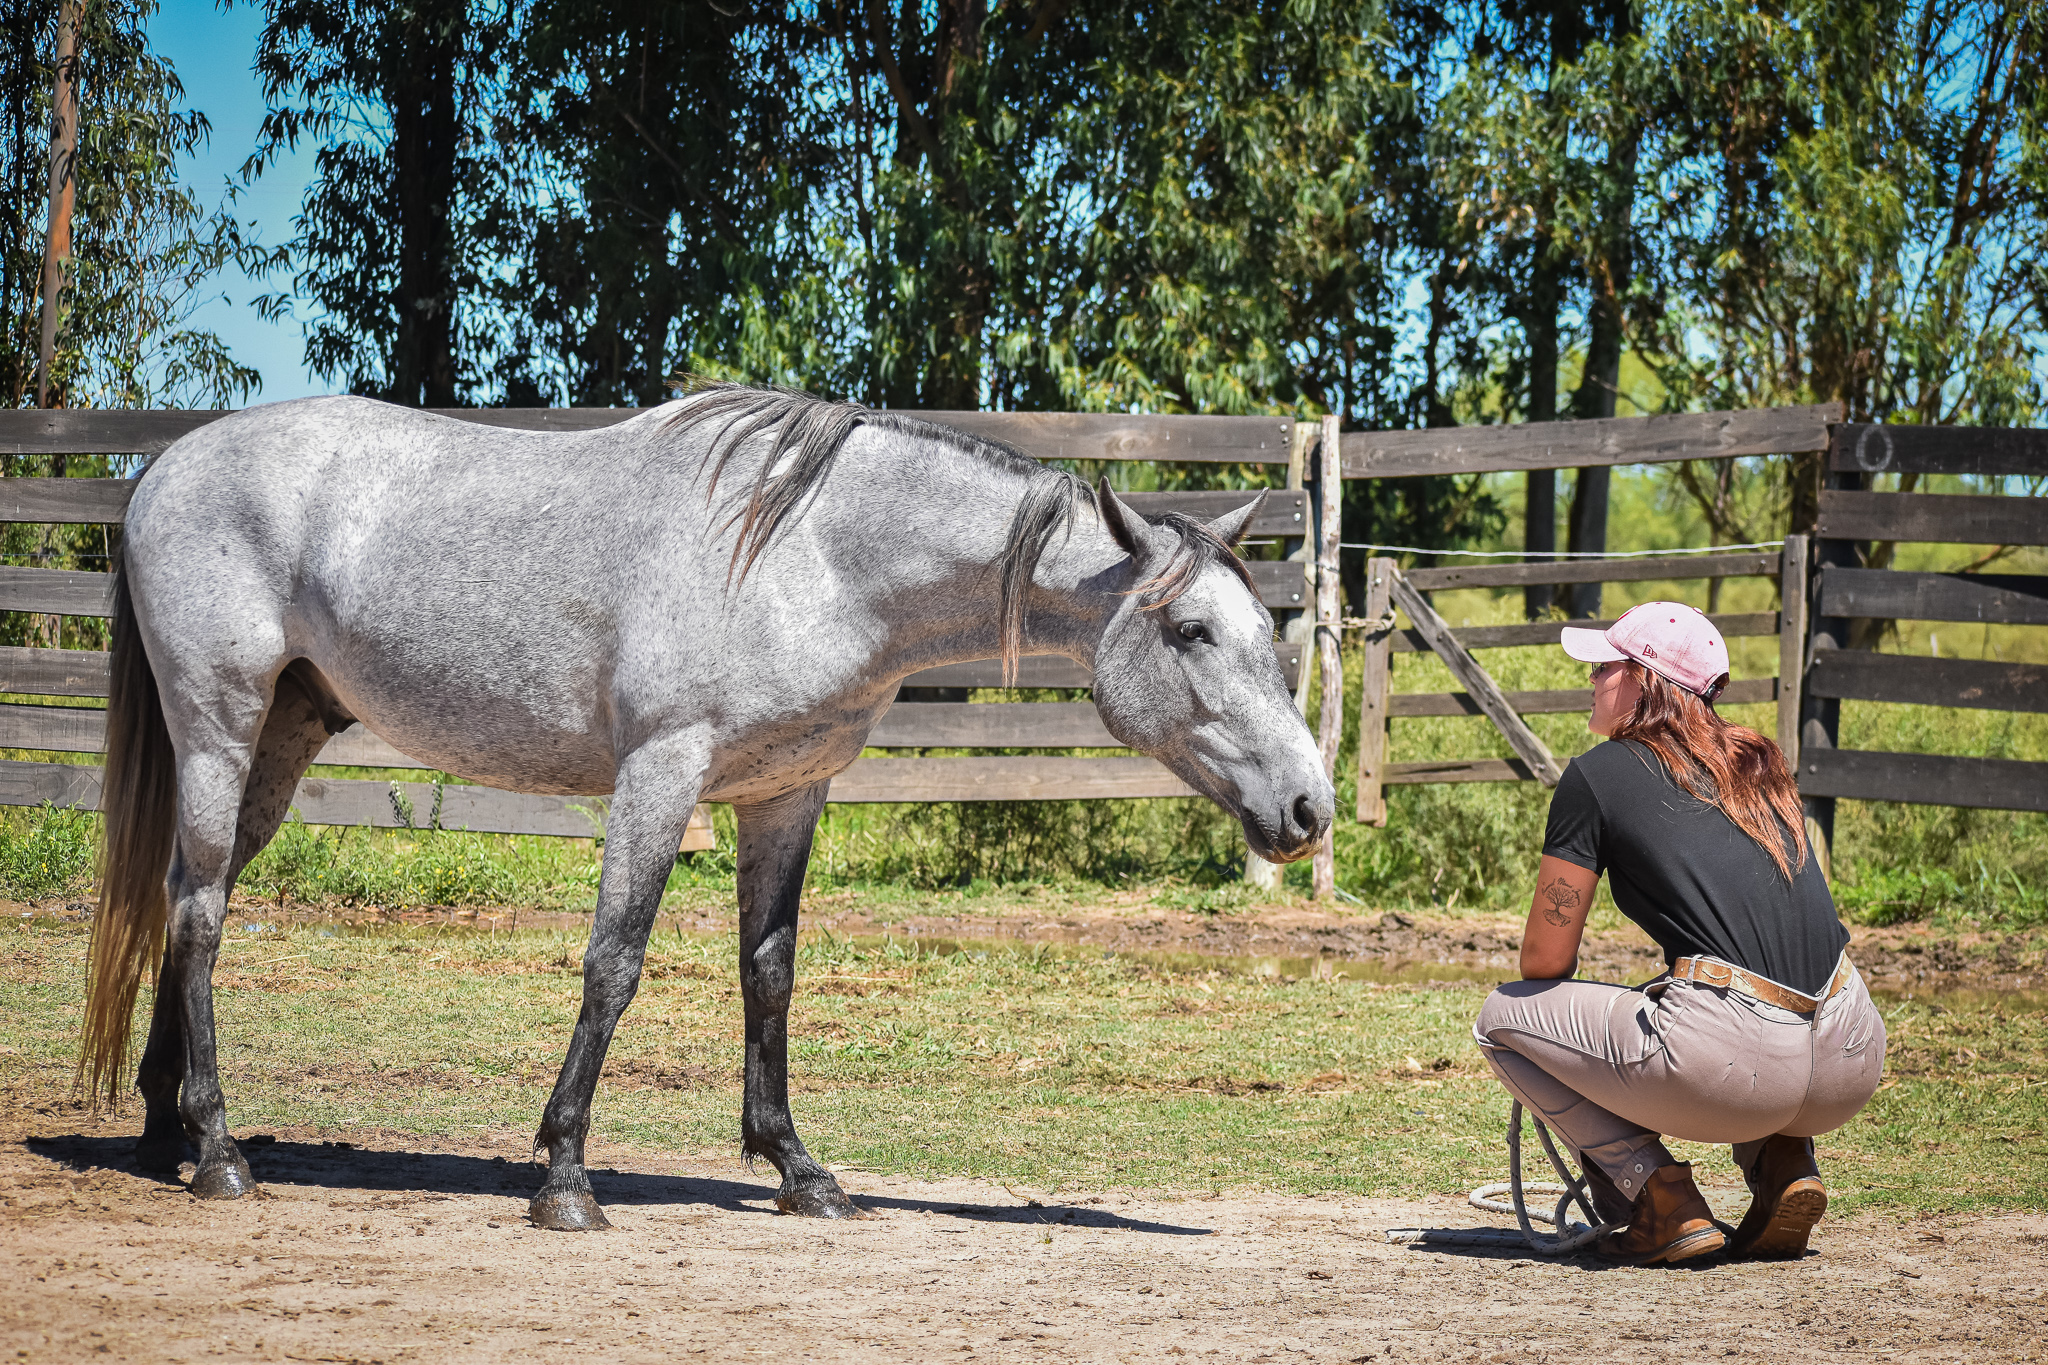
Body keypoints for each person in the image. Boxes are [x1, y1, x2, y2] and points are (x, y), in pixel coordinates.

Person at [1473, 602, 1886, 1265]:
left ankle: (1658, 1196)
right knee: (1723, 982)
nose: (1592, 681)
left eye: (1604, 667)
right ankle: (1785, 1161)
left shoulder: (1595, 776)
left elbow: (1545, 959)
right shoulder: (1761, 762)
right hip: (1851, 1049)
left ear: (1641, 679)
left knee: (1499, 1018)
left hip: (1739, 1064)